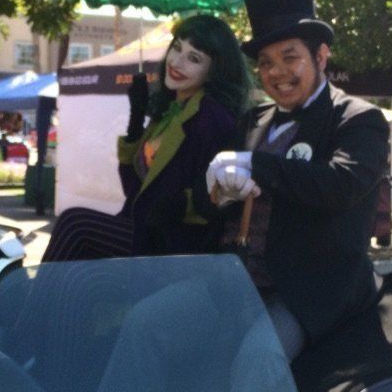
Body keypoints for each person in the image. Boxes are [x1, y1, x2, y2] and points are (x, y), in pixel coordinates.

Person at [205, 0, 389, 354]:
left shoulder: (358, 119)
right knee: (148, 322)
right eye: (266, 63)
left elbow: (342, 185)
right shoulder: (254, 120)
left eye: (290, 58)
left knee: (259, 356)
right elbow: (223, 200)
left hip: (309, 293)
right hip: (236, 282)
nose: (276, 72)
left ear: (320, 57)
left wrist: (257, 165)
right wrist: (219, 191)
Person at [42, 15, 250, 261]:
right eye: (177, 47)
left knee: (75, 225)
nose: (177, 62)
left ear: (214, 71)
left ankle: (31, 301)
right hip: (140, 229)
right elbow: (133, 188)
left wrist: (179, 205)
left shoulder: (212, 117)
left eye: (194, 58)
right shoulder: (170, 109)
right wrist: (135, 123)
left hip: (173, 245)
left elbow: (216, 198)